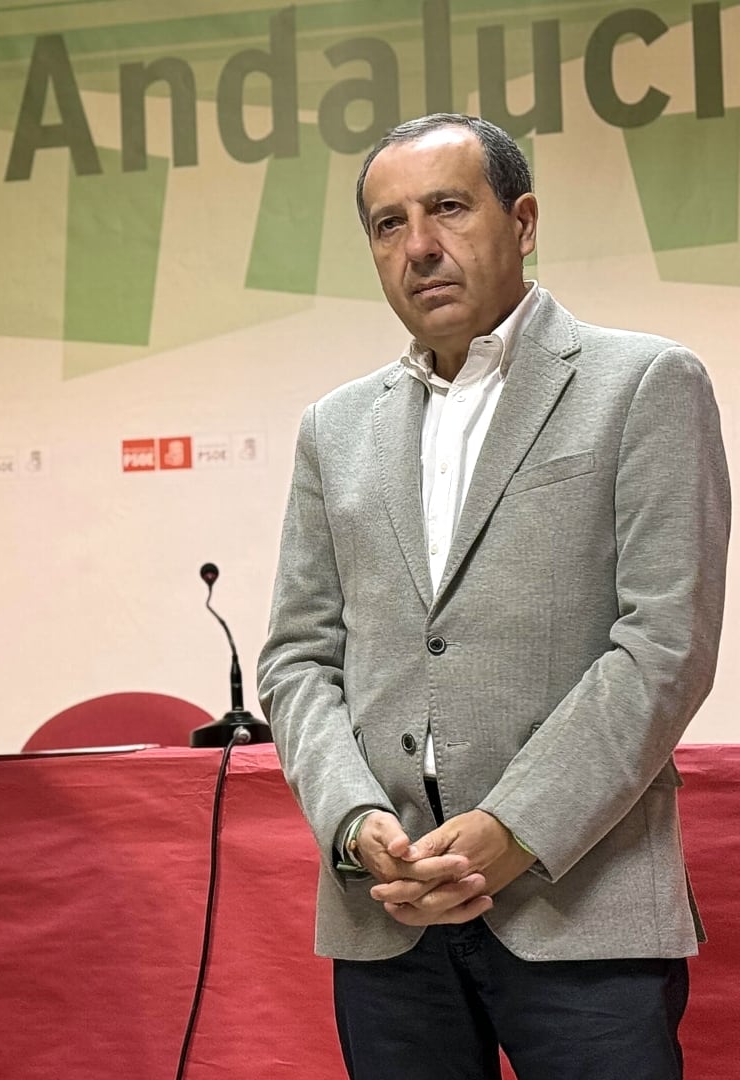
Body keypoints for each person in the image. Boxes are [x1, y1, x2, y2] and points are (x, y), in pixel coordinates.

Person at [257, 112, 728, 1079]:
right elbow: (298, 658)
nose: (419, 246)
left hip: (580, 909)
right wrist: (353, 825)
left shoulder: (643, 384)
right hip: (385, 915)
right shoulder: (331, 429)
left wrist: (512, 832)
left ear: (521, 221)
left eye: (447, 208)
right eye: (388, 225)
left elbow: (662, 648)